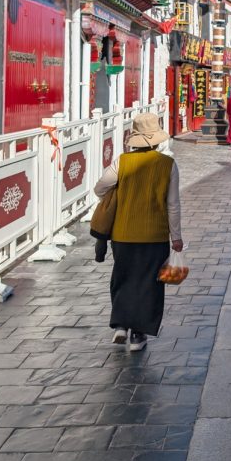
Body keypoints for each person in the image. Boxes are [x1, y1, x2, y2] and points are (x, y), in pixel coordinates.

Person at [93, 113, 182, 353]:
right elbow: (173, 204)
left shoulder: (122, 162)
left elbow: (100, 187)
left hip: (122, 234)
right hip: (154, 235)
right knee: (148, 284)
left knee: (122, 278)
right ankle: (138, 335)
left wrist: (117, 199)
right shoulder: (167, 165)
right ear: (156, 139)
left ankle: (120, 325)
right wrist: (176, 237)